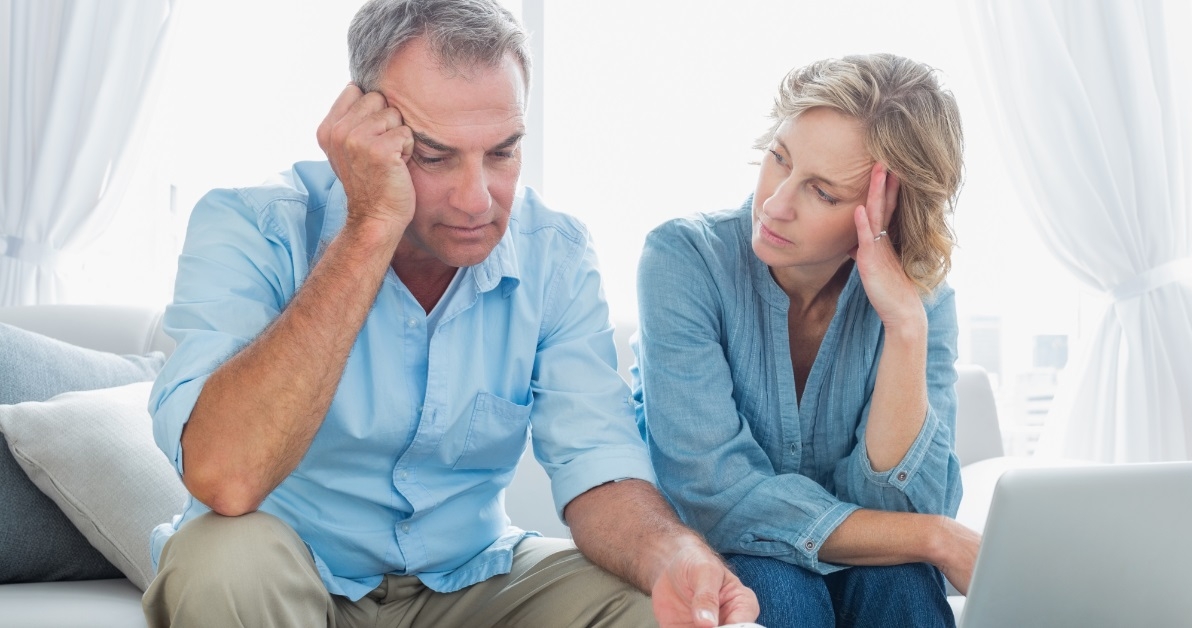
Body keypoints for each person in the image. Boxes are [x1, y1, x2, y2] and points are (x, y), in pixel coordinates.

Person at [141, 1, 758, 626]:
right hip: (293, 575)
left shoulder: (557, 253)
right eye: (433, 157)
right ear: (362, 129)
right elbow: (226, 478)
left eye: (503, 152)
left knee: (664, 609)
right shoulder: (250, 226)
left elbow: (598, 466)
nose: (476, 201)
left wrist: (674, 554)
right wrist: (368, 228)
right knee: (219, 560)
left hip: (473, 578)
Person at [631, 53, 982, 628]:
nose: (775, 203)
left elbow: (903, 504)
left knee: (902, 585)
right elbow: (716, 499)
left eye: (822, 192)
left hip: (879, 573)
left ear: (889, 213)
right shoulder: (684, 259)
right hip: (721, 562)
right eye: (779, 159)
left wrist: (904, 329)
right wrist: (937, 538)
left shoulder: (922, 303)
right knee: (774, 587)